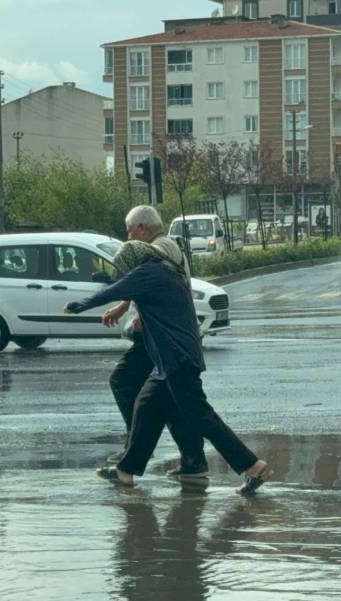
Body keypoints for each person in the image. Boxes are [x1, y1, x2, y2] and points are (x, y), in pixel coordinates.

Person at [65, 241, 273, 495]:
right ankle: (126, 470)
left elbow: (113, 291)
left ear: (134, 261)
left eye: (126, 268)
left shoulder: (147, 273)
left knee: (201, 416)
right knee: (145, 406)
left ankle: (252, 466)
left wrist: (80, 304)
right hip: (169, 359)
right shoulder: (164, 269)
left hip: (176, 358)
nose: (126, 272)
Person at [101, 205, 208, 478]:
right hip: (163, 336)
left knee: (124, 382)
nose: (129, 237)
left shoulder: (164, 247)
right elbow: (142, 281)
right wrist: (125, 307)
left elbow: (160, 284)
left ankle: (135, 449)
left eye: (130, 231)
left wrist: (145, 318)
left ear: (142, 228)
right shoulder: (160, 248)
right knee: (171, 398)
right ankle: (192, 460)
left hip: (159, 336)